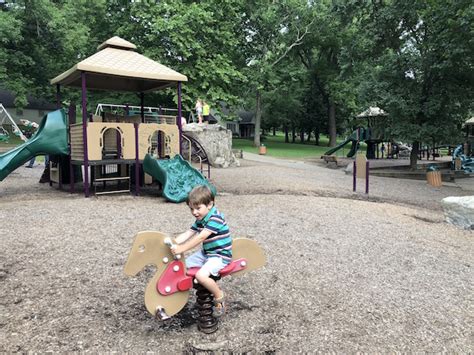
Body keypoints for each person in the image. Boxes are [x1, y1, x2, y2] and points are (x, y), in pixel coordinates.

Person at [171, 185, 232, 316]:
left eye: (198, 208)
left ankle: (219, 295)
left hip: (220, 256)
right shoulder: (200, 219)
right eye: (191, 209)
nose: (194, 212)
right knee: (182, 265)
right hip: (207, 254)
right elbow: (188, 233)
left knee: (201, 275)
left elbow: (201, 237)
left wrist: (181, 248)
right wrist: (173, 242)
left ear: (209, 205)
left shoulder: (216, 218)